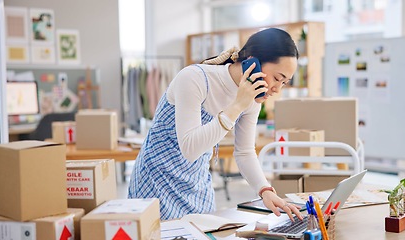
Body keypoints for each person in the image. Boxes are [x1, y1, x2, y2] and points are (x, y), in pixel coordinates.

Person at [128, 28, 303, 221]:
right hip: (156, 182)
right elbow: (190, 148)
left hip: (196, 185)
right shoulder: (194, 78)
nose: (277, 89)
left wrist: (265, 190)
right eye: (277, 78)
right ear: (253, 62)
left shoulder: (251, 99)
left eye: (284, 82)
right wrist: (237, 105)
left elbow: (244, 152)